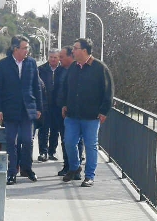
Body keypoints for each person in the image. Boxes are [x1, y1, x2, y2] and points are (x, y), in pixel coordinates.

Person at [61, 38, 114, 187]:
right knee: (69, 142)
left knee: (91, 145)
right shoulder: (73, 67)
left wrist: (104, 111)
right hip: (72, 114)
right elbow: (66, 87)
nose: (73, 51)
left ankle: (89, 176)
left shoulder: (100, 68)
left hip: (91, 116)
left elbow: (108, 92)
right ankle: (74, 167)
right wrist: (64, 104)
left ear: (84, 50)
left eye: (75, 48)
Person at [0, 35, 42, 185]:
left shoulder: (32, 63)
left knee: (28, 140)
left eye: (27, 48)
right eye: (24, 47)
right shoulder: (3, 65)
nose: (27, 50)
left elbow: (36, 86)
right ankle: (12, 172)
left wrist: (39, 107)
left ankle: (27, 168)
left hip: (27, 109)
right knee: (11, 142)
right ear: (15, 49)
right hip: (10, 109)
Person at [57, 46, 84, 178]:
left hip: (75, 112)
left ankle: (76, 169)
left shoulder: (77, 70)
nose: (59, 59)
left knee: (77, 141)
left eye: (62, 57)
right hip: (62, 110)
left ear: (70, 57)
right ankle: (68, 166)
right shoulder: (59, 71)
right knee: (65, 140)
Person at [37, 48, 63, 161]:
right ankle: (43, 152)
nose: (53, 59)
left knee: (55, 130)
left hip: (57, 106)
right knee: (43, 130)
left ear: (59, 58)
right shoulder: (41, 70)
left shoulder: (63, 70)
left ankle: (52, 151)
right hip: (44, 104)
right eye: (51, 57)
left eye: (55, 57)